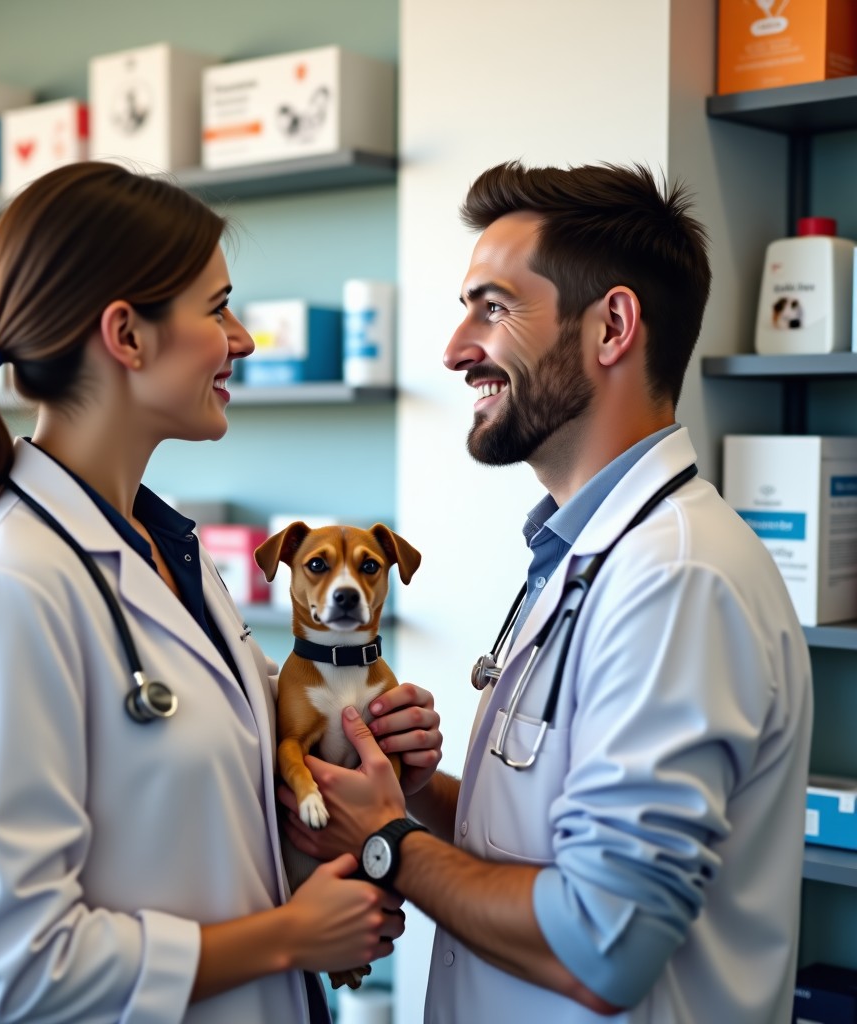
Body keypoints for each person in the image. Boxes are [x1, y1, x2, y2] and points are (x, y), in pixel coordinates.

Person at [0, 160, 443, 1024]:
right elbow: (14, 966)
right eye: (217, 309)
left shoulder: (168, 551)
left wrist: (376, 761)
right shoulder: (7, 588)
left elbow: (209, 827)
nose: (242, 338)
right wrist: (289, 937)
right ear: (127, 337)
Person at [281, 160, 814, 1023]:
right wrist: (409, 790)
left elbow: (599, 942)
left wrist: (385, 840)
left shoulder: (675, 579)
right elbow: (539, 851)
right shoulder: (582, 553)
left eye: (492, 307)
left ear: (612, 326)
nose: (456, 348)